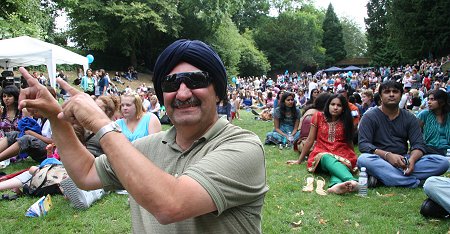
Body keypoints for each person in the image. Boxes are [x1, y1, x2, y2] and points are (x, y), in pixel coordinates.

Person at [18, 39, 267, 233]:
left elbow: (171, 204)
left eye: (195, 80)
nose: (182, 93)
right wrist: (55, 117)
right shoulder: (145, 147)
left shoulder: (244, 147)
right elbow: (86, 173)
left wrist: (102, 125)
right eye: (170, 84)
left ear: (219, 92)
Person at [357, 81, 449, 188]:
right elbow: (364, 145)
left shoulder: (409, 117)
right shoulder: (369, 116)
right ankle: (414, 182)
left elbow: (418, 144)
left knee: (442, 162)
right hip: (379, 160)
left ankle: (384, 177)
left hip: (403, 160)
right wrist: (388, 156)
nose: (391, 94)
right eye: (387, 92)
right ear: (381, 97)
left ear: (401, 95)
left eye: (395, 92)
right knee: (363, 159)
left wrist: (412, 161)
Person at [287, 94, 359, 195]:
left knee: (340, 164)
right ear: (327, 105)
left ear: (343, 108)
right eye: (332, 104)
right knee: (326, 157)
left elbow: (349, 141)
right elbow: (310, 140)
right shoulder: (318, 117)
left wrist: (354, 157)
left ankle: (335, 185)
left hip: (343, 152)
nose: (335, 107)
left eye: (339, 105)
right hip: (322, 153)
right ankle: (353, 181)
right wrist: (299, 160)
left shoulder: (346, 120)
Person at [416, 90, 450, 156]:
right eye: (428, 99)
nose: (429, 102)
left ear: (442, 102)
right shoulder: (424, 114)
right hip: (431, 149)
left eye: (432, 99)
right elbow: (415, 133)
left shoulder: (448, 116)